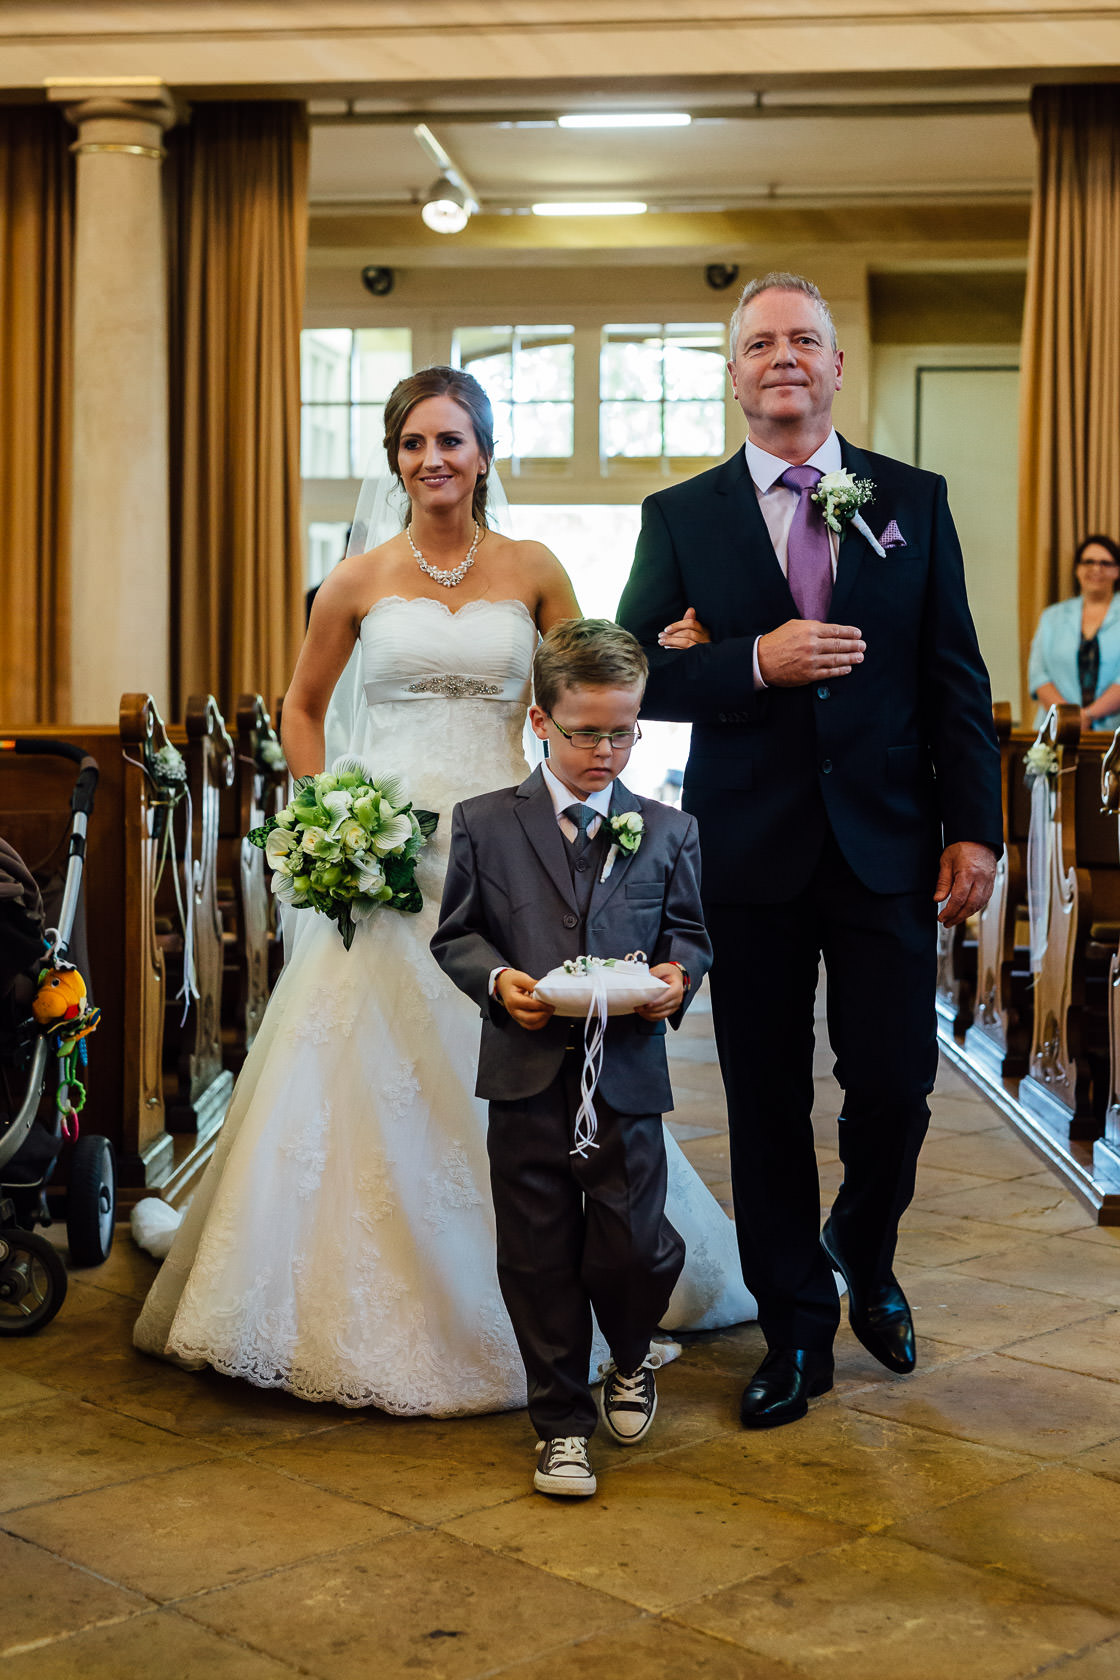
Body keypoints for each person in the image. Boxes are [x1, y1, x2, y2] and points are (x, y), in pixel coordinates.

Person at [134, 366, 753, 1414]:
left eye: (453, 441)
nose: (434, 460)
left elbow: (586, 676)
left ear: (483, 452)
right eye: (415, 443)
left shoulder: (533, 566)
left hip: (515, 840)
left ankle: (584, 1277)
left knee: (530, 1056)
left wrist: (663, 656)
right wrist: (333, 813)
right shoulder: (358, 581)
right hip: (392, 849)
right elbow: (303, 707)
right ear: (395, 458)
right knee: (372, 1060)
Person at [618, 272, 1003, 1429]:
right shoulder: (681, 517)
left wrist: (975, 827)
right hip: (750, 850)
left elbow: (955, 682)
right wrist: (746, 661)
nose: (783, 358)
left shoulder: (911, 501)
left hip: (889, 842)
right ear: (733, 375)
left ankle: (862, 1247)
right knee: (765, 1096)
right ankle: (794, 1330)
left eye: (804, 341)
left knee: (894, 1081)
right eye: (759, 344)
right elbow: (625, 672)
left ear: (836, 369)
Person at [431, 619, 711, 1496]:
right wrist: (500, 980)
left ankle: (630, 1353)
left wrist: (675, 976)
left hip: (626, 1075)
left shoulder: (668, 828)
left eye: (625, 731)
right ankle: (558, 1422)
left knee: (633, 1246)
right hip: (524, 1073)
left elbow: (690, 937)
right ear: (540, 721)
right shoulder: (484, 823)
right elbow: (459, 934)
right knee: (538, 1253)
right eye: (588, 732)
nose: (608, 751)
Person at [1028, 534, 1120, 731]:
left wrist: (1088, 715)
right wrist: (1069, 718)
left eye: (1105, 563)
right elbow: (1038, 674)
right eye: (1089, 562)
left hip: (1113, 732)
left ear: (1117, 571)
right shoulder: (1052, 616)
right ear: (1077, 569)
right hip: (1056, 730)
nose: (1096, 569)